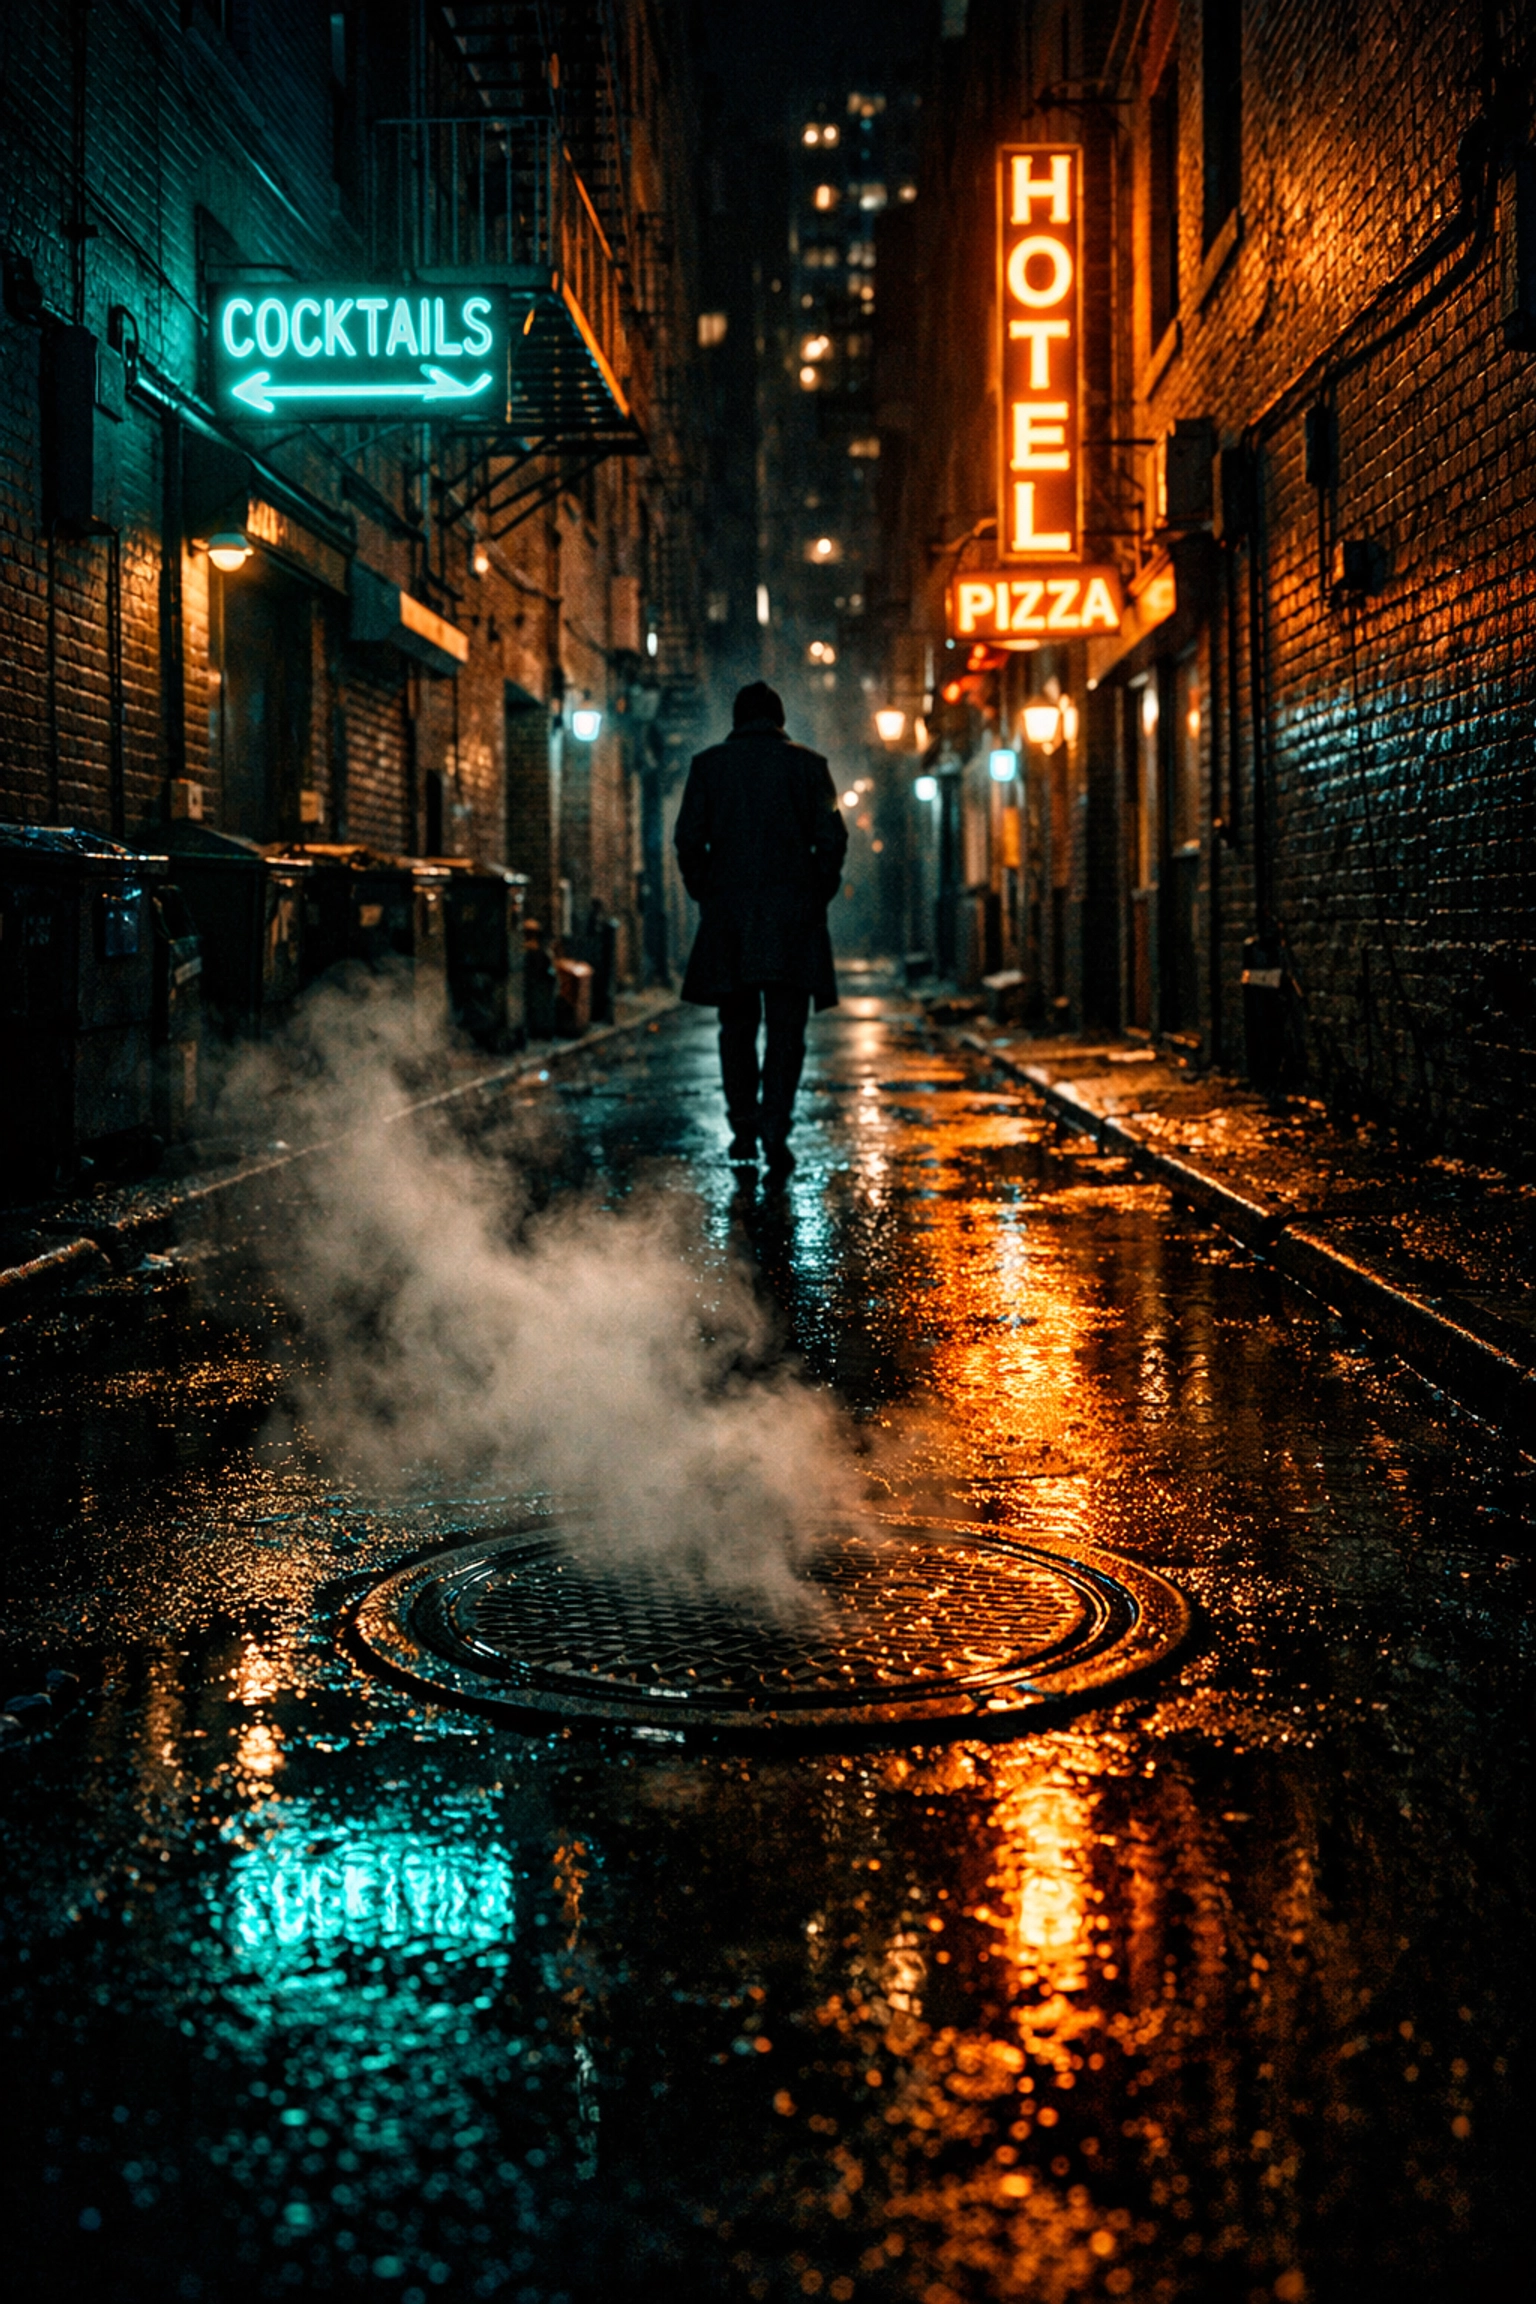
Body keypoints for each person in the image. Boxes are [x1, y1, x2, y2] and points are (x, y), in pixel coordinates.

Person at [674, 681, 848, 1178]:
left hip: (729, 921)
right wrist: (816, 893)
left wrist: (707, 892)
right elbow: (832, 839)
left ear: (736, 719)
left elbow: (688, 840)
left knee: (736, 1030)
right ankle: (776, 1130)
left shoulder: (708, 767)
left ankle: (743, 1128)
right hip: (794, 921)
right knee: (787, 1033)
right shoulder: (810, 767)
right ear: (780, 718)